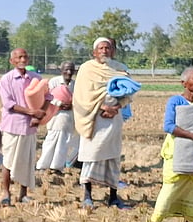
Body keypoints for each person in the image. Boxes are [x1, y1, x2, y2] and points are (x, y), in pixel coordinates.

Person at [149, 68, 193, 222]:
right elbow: (169, 126)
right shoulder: (175, 101)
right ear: (184, 83)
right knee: (171, 187)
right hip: (176, 153)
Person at [74, 38, 132, 209]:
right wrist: (102, 107)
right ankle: (87, 195)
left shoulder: (120, 69)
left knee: (113, 157)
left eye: (108, 48)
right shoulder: (86, 69)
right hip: (94, 118)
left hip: (114, 118)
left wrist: (117, 107)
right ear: (94, 52)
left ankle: (113, 196)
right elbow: (81, 95)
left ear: (112, 51)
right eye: (101, 48)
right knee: (92, 155)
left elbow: (129, 92)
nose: (104, 51)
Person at [0, 48, 42, 204]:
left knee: (27, 161)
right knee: (8, 161)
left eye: (25, 56)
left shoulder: (36, 78)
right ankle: (5, 193)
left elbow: (48, 96)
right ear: (12, 61)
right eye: (19, 57)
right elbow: (9, 103)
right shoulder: (6, 79)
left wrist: (40, 115)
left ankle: (23, 194)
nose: (23, 59)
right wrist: (30, 111)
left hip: (30, 127)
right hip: (12, 126)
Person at [36, 60, 79, 173]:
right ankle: (42, 165)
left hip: (69, 116)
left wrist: (72, 105)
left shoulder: (75, 84)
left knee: (64, 143)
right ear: (61, 70)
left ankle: (57, 167)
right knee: (52, 140)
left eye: (71, 69)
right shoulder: (54, 82)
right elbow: (46, 96)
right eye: (66, 69)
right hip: (56, 114)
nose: (69, 72)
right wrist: (59, 104)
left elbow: (79, 99)